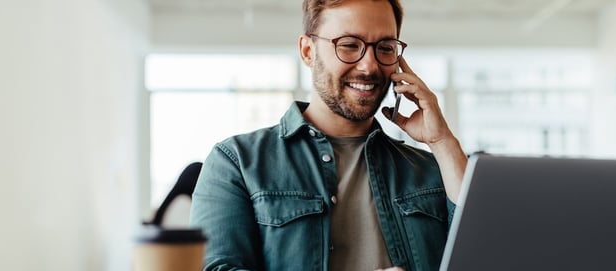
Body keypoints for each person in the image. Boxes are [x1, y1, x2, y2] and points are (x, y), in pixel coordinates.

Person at [189, 0, 468, 270]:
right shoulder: (236, 163)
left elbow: (487, 254)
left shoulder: (433, 170)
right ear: (308, 51)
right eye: (349, 45)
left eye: (384, 48)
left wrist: (442, 142)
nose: (369, 66)